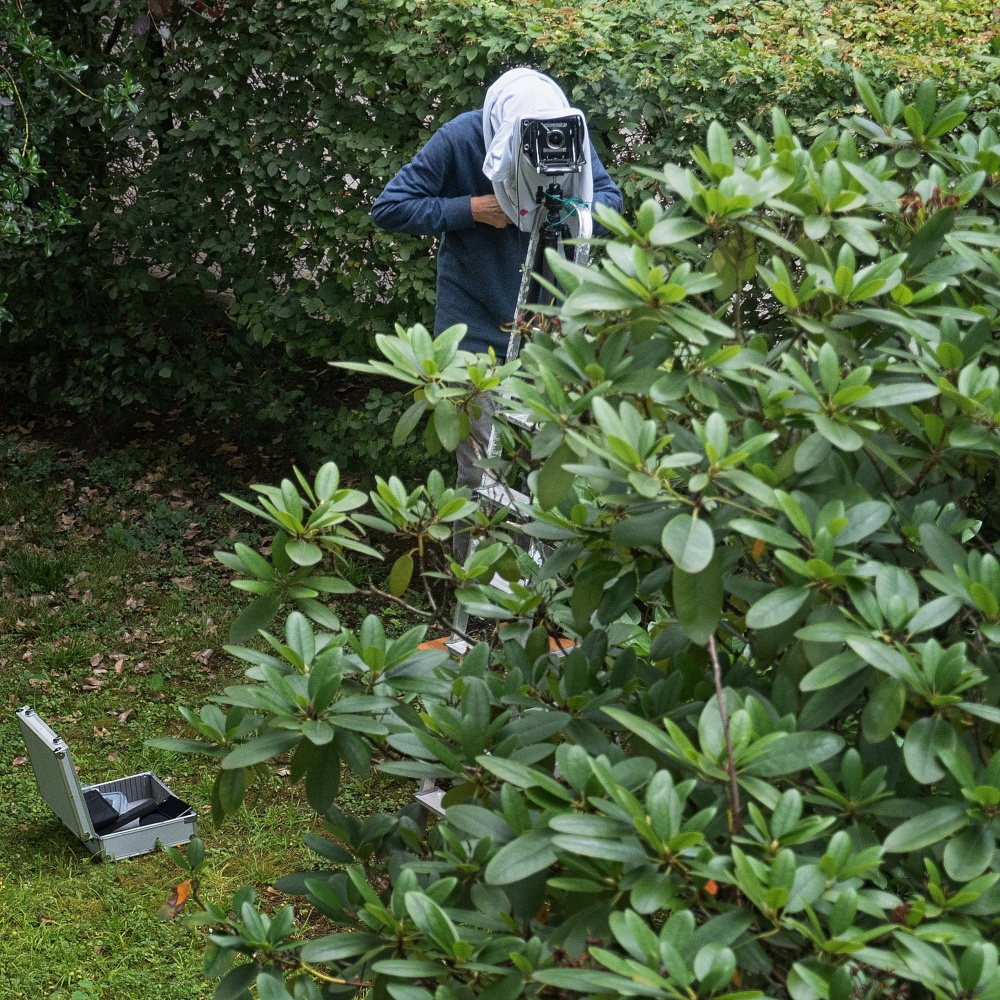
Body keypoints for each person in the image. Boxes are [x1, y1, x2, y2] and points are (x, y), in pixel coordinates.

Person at [371, 68, 622, 531]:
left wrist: (571, 211)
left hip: (548, 331)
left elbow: (610, 199)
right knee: (483, 476)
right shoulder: (463, 136)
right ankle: (482, 592)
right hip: (475, 330)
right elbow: (390, 206)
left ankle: (533, 594)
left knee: (542, 472)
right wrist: (473, 210)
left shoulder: (563, 132)